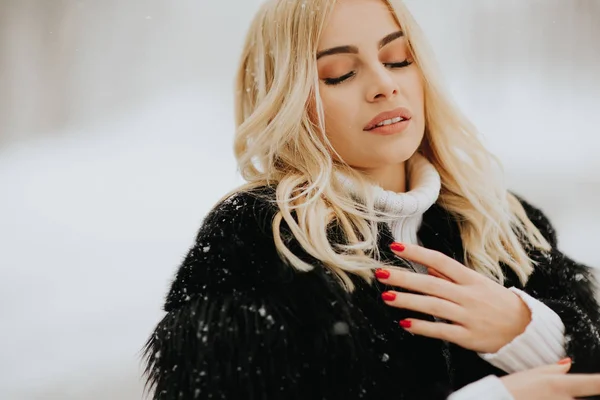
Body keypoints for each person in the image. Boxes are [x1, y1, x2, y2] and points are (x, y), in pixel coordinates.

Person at [142, 0, 600, 398]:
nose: (384, 84)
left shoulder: (502, 222)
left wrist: (526, 330)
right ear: (288, 97)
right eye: (339, 73)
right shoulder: (261, 236)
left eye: (398, 59)